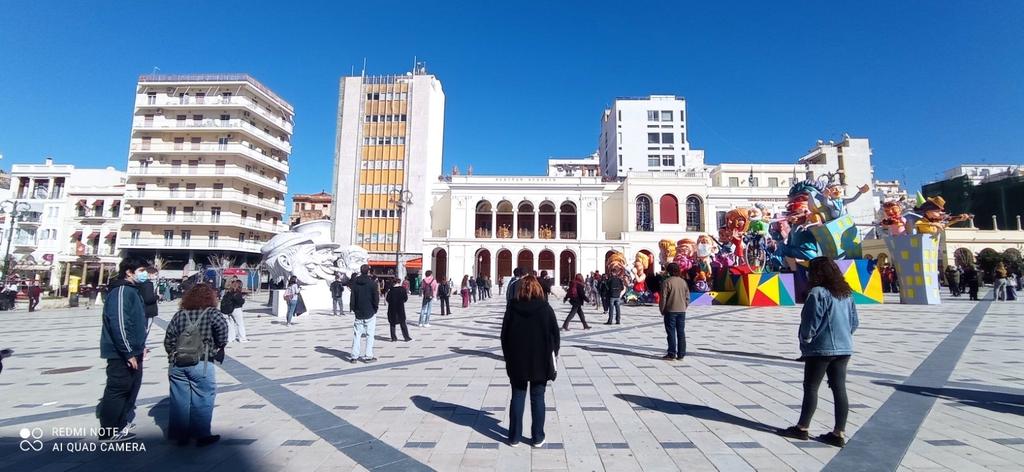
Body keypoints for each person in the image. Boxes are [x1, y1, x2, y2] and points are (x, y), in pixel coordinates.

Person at [777, 257, 859, 448]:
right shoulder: (846, 294)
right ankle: (839, 433)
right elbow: (854, 322)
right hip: (844, 347)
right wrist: (844, 336)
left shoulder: (817, 293)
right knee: (839, 388)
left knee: (811, 387)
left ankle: (802, 427)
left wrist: (806, 339)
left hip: (820, 348)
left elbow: (810, 321)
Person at [163, 284, 228, 447]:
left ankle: (180, 436)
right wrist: (218, 345)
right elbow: (223, 332)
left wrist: (173, 353)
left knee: (179, 400)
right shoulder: (213, 314)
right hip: (202, 362)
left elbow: (169, 338)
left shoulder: (180, 315)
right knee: (203, 397)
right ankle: (201, 435)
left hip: (178, 363)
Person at [500, 275, 560, 448]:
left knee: (517, 397)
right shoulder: (545, 308)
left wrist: (508, 356)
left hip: (517, 360)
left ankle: (514, 437)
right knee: (538, 398)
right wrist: (553, 354)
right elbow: (556, 335)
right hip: (540, 361)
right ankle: (537, 437)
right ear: (538, 289)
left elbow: (504, 336)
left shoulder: (512, 307)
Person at [98, 257, 150, 442]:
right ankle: (108, 431)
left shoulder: (133, 291)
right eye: (141, 269)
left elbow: (136, 323)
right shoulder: (121, 291)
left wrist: (141, 347)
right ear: (129, 271)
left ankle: (120, 423)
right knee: (118, 389)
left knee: (130, 388)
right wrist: (128, 352)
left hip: (134, 350)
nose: (145, 274)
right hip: (120, 353)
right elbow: (119, 323)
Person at [349, 264, 380, 363]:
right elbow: (376, 298)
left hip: (358, 311)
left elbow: (352, 297)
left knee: (357, 334)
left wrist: (353, 308)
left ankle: (354, 356)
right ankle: (368, 355)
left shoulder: (355, 283)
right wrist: (375, 308)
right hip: (369, 311)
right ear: (369, 271)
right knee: (370, 334)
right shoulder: (372, 283)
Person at [659, 263, 690, 360]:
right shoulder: (683, 282)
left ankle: (671, 353)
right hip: (681, 310)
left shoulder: (667, 282)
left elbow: (663, 298)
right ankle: (681, 353)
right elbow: (687, 296)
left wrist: (662, 309)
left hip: (670, 310)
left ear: (669, 271)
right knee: (681, 332)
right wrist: (684, 306)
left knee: (671, 332)